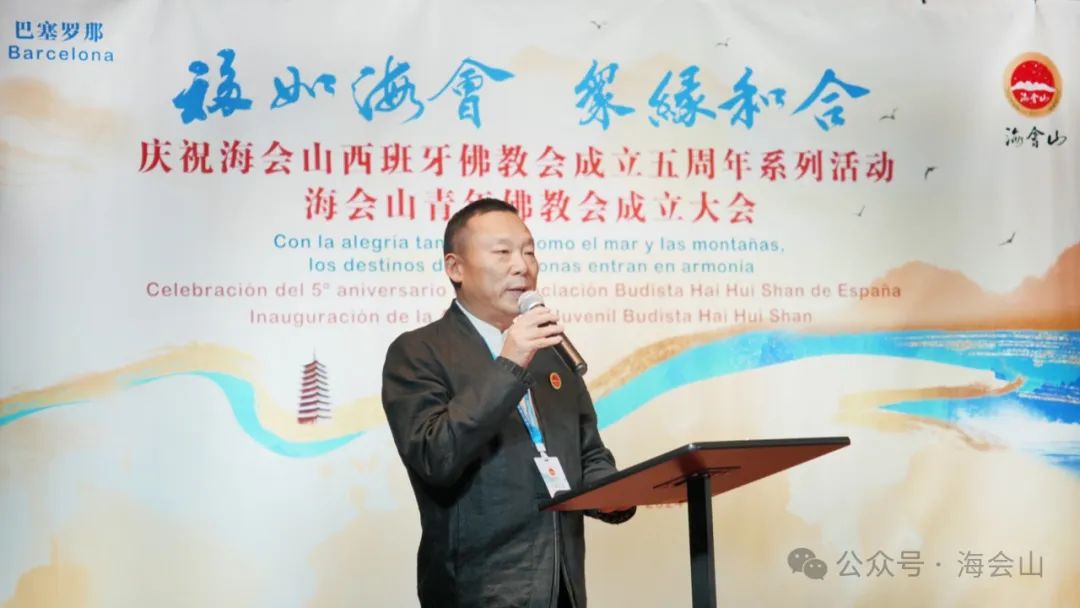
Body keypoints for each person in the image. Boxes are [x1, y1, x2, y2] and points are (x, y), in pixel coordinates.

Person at [381, 198, 635, 608]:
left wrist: (618, 495)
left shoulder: (552, 354)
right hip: (477, 591)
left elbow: (588, 454)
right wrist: (510, 363)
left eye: (529, 252)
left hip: (562, 585)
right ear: (455, 268)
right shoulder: (418, 352)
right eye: (502, 252)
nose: (522, 266)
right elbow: (434, 456)